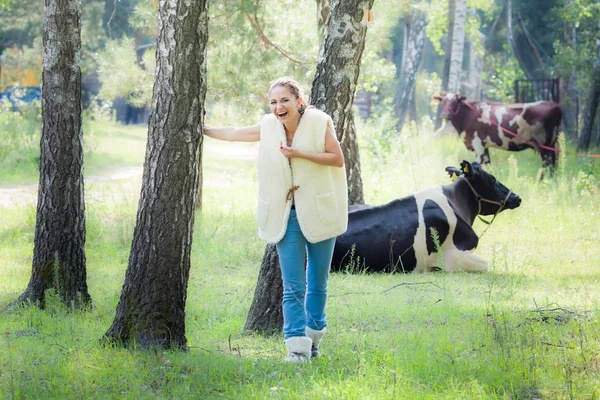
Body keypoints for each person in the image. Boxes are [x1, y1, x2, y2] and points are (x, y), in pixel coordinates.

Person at [203, 77, 348, 362]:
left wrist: (298, 154)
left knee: (318, 282)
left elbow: (337, 158)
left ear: (298, 102)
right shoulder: (269, 126)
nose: (278, 106)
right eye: (273, 102)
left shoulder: (319, 122)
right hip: (286, 216)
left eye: (284, 100)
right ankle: (296, 349)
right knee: (293, 286)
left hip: (320, 211)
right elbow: (236, 132)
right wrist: (203, 128)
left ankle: (314, 338)